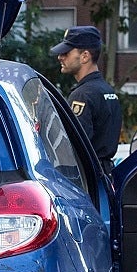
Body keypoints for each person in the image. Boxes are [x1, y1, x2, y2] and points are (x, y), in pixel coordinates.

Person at [52, 25, 122, 171]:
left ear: (85, 56)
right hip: (105, 173)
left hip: (88, 177)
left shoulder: (82, 95)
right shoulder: (106, 90)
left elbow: (74, 147)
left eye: (66, 53)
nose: (60, 57)